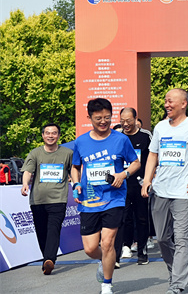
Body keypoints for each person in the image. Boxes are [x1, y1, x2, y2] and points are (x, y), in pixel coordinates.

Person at [142, 88, 188, 294]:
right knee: (162, 238)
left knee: (183, 239)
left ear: (183, 103)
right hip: (160, 190)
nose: (167, 105)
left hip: (184, 192)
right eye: (165, 101)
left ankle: (177, 285)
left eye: (170, 101)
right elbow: (153, 155)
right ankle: (175, 271)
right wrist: (147, 180)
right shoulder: (160, 127)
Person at [70, 98, 140, 294]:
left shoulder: (121, 139)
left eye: (107, 118)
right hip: (90, 199)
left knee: (108, 243)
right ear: (89, 118)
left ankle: (107, 284)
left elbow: (135, 163)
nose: (103, 122)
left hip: (114, 198)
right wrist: (76, 183)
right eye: (98, 118)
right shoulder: (81, 141)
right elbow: (75, 167)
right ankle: (104, 260)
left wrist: (123, 174)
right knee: (90, 248)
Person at [21, 123, 74, 275]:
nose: (51, 136)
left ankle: (50, 259)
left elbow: (74, 170)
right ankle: (46, 259)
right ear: (43, 135)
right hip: (38, 200)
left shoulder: (67, 153)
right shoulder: (35, 153)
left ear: (59, 135)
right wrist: (25, 184)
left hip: (58, 199)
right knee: (41, 231)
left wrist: (77, 183)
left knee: (53, 229)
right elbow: (28, 171)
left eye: (54, 133)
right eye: (48, 133)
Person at [114, 107, 153, 266]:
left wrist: (149, 179)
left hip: (140, 184)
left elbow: (152, 158)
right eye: (122, 121)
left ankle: (142, 250)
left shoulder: (145, 136)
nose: (125, 124)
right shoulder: (116, 136)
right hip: (120, 185)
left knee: (141, 218)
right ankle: (120, 251)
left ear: (136, 119)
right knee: (122, 218)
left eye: (128, 121)